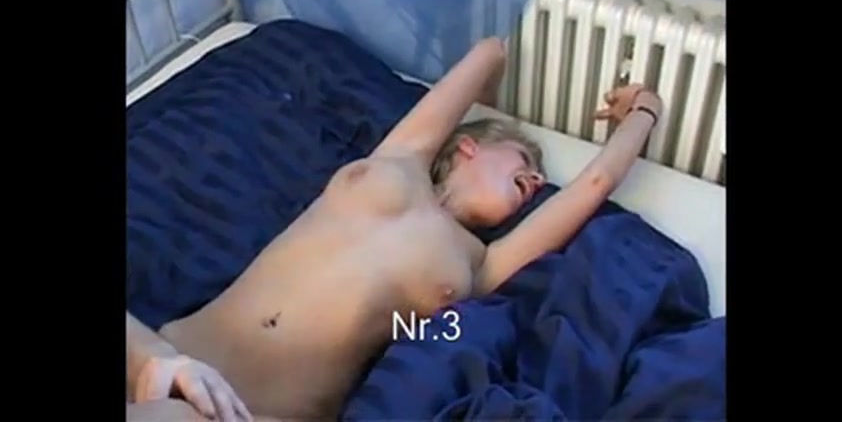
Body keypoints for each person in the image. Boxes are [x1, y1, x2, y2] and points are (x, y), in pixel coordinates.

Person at [138, 37, 662, 421]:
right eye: (523, 158)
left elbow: (595, 183)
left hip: (258, 413)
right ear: (469, 146)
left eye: (539, 175)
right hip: (167, 357)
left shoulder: (482, 262)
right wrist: (495, 70)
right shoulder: (402, 158)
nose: (538, 178)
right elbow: (488, 52)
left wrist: (646, 109)